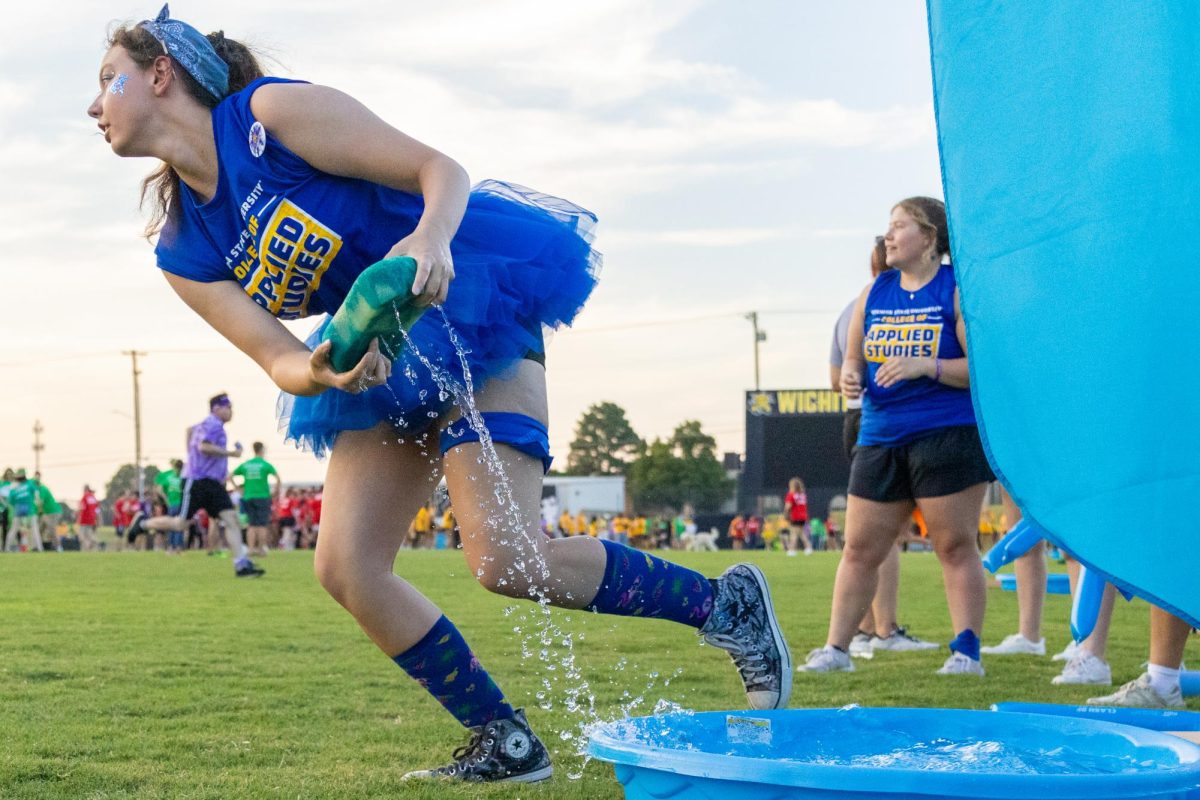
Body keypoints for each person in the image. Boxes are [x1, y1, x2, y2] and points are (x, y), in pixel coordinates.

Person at [90, 8, 790, 783]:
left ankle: (726, 608)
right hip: (378, 357)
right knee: (347, 569)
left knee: (507, 559)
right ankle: (507, 741)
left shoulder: (267, 117)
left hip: (468, 304)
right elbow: (278, 358)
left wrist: (428, 236)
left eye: (106, 80)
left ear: (160, 75)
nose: (95, 107)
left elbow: (440, 170)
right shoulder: (183, 245)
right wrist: (323, 372)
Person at [800, 197, 993, 676]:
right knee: (860, 548)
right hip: (880, 436)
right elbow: (852, 357)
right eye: (889, 226)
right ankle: (837, 650)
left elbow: (983, 369)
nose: (888, 236)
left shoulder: (955, 289)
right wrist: (849, 375)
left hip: (946, 434)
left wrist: (928, 365)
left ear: (929, 238)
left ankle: (966, 652)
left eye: (900, 226)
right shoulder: (876, 291)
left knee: (954, 545)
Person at [828, 235, 936, 659]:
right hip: (882, 421)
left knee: (871, 537)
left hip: (861, 419)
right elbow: (844, 374)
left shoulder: (847, 309)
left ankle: (867, 628)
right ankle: (882, 629)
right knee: (880, 533)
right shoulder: (871, 305)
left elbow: (834, 378)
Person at [132, 394, 263, 577]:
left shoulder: (206, 424)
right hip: (198, 482)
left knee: (231, 519)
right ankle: (143, 523)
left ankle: (241, 564)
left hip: (212, 483)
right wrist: (231, 454)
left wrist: (191, 458)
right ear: (217, 408)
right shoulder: (212, 424)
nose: (231, 411)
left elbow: (189, 431)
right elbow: (204, 447)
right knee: (179, 524)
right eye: (228, 407)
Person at [231, 442, 281, 556]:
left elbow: (230, 476)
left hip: (248, 497)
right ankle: (261, 549)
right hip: (263, 497)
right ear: (262, 450)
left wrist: (238, 489)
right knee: (262, 524)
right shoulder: (265, 464)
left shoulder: (246, 464)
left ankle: (250, 549)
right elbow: (278, 478)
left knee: (251, 524)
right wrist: (276, 491)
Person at [5, 470, 43, 552]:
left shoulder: (14, 488)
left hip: (18, 509)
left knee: (14, 529)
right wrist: (37, 500)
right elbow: (36, 493)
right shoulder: (29, 483)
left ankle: (7, 548)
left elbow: (11, 501)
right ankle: (40, 548)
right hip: (30, 509)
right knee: (34, 528)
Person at [154, 459, 186, 553]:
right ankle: (175, 547)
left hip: (177, 504)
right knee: (176, 525)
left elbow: (158, 489)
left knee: (174, 525)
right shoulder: (179, 476)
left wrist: (166, 499)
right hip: (175, 504)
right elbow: (159, 489)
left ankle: (174, 547)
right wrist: (166, 500)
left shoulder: (171, 476)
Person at [783, 477, 813, 555]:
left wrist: (786, 514)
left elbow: (788, 506)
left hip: (795, 516)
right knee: (801, 533)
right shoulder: (802, 495)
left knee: (793, 533)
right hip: (803, 517)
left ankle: (792, 550)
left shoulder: (791, 495)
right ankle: (808, 548)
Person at [77, 485, 100, 551]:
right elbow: (97, 510)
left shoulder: (84, 497)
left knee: (81, 536)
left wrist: (77, 515)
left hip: (84, 519)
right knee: (89, 534)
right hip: (92, 519)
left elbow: (81, 508)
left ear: (84, 489)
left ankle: (87, 547)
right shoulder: (93, 498)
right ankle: (95, 543)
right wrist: (97, 519)